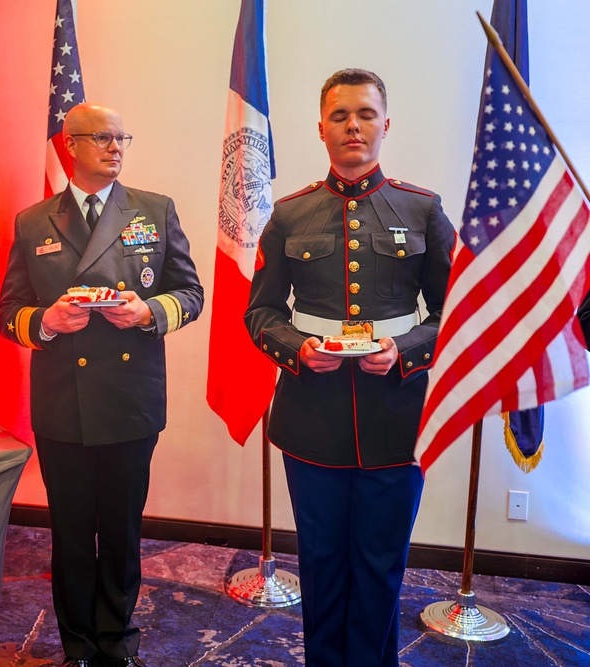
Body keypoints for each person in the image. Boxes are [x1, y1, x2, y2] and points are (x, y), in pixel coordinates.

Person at [243, 69, 456, 667]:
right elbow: (259, 311)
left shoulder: (421, 209)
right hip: (311, 420)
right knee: (321, 561)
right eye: (340, 116)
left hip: (397, 417)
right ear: (321, 129)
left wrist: (407, 350)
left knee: (382, 565)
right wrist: (296, 349)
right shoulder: (291, 213)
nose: (353, 126)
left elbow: (458, 312)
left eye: (365, 114)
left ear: (385, 125)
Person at [0, 103, 204, 667]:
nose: (116, 147)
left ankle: (117, 642)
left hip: (129, 399)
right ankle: (78, 646)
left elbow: (191, 294)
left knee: (119, 531)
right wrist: (45, 322)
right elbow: (8, 310)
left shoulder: (154, 210)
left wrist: (147, 312)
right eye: (102, 138)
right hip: (64, 401)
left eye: (121, 137)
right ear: (70, 146)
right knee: (69, 533)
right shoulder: (34, 220)